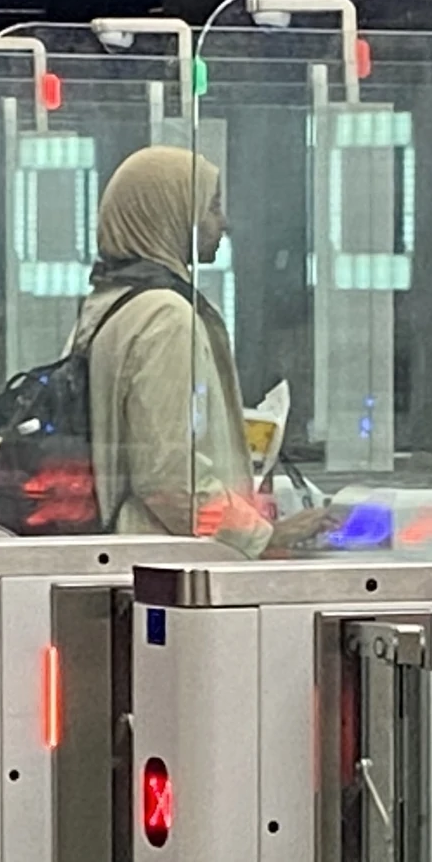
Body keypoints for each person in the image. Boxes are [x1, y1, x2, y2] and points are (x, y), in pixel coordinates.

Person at [74, 146, 278, 556]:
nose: (223, 223)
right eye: (211, 207)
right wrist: (259, 538)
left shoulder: (110, 304)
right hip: (171, 561)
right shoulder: (165, 316)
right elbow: (170, 480)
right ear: (168, 214)